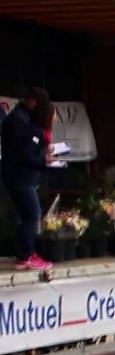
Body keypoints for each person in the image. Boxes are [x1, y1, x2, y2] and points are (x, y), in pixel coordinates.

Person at [1, 86, 54, 271]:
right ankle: (26, 256)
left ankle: (25, 254)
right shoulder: (19, 120)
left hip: (21, 175)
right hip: (19, 176)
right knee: (33, 214)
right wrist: (42, 159)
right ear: (31, 101)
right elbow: (23, 153)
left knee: (27, 215)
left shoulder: (23, 119)